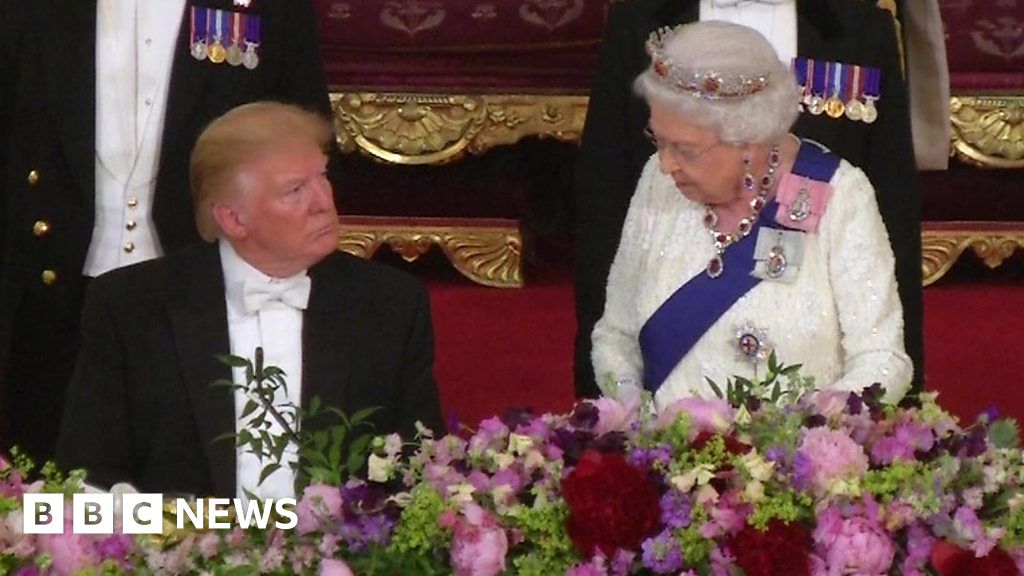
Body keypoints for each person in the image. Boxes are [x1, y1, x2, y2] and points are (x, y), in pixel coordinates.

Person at [0, 0, 339, 463]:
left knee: (195, 502)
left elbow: (306, 137)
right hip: (54, 299)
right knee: (57, 508)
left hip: (205, 296)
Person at [55, 102, 445, 499]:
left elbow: (418, 474)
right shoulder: (132, 309)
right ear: (233, 219)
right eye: (295, 190)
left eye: (322, 177)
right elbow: (86, 486)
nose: (324, 201)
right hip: (177, 554)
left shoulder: (389, 305)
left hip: (343, 555)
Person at [574, 0, 923, 399]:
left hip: (798, 454)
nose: (665, 163)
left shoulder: (842, 194)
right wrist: (631, 416)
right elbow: (614, 335)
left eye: (686, 149)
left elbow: (883, 356)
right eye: (659, 140)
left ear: (750, 139)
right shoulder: (657, 180)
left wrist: (807, 442)